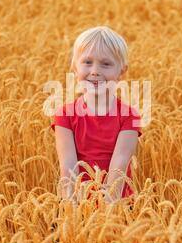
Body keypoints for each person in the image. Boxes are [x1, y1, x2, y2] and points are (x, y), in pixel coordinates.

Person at [51, 26, 142, 205]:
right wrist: (74, 213)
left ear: (121, 72)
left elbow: (119, 166)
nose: (95, 71)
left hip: (118, 205)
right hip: (74, 204)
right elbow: (67, 167)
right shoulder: (65, 115)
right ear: (74, 68)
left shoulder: (129, 116)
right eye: (87, 62)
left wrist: (107, 214)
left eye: (106, 64)